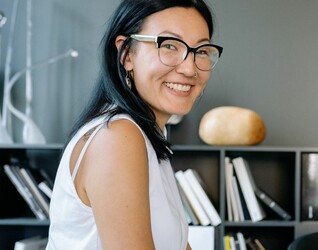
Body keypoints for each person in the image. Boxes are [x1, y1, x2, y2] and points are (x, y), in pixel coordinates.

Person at [46, 0, 222, 249]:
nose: (189, 68)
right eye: (169, 45)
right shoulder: (118, 137)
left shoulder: (148, 138)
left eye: (201, 51)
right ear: (126, 54)